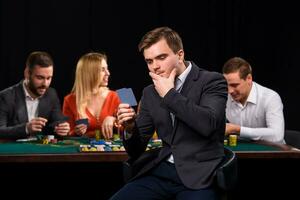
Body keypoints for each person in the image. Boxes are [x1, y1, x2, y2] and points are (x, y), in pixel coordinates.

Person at [110, 27, 228, 200]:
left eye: (161, 57)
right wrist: (129, 127)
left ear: (180, 55)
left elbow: (209, 124)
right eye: (149, 61)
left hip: (200, 177)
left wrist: (169, 95)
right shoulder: (150, 92)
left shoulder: (212, 80)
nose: (155, 66)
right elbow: (136, 150)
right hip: (160, 173)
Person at [0, 51, 70, 139]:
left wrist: (62, 128)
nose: (45, 84)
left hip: (40, 150)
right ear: (27, 73)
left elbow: (57, 122)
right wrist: (26, 128)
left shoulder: (51, 94)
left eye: (49, 78)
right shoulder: (6, 96)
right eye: (40, 78)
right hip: (15, 151)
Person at [222, 57, 285, 144]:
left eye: (234, 85)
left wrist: (237, 129)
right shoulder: (224, 97)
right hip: (242, 152)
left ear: (249, 79)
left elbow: (277, 136)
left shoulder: (270, 97)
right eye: (227, 85)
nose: (230, 91)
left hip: (274, 153)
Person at [63, 52, 120, 139]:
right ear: (89, 73)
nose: (108, 73)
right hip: (84, 151)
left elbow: (134, 126)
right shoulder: (69, 99)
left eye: (107, 69)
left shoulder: (124, 93)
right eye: (102, 70)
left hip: (116, 151)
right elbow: (65, 135)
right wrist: (75, 132)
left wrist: (114, 120)